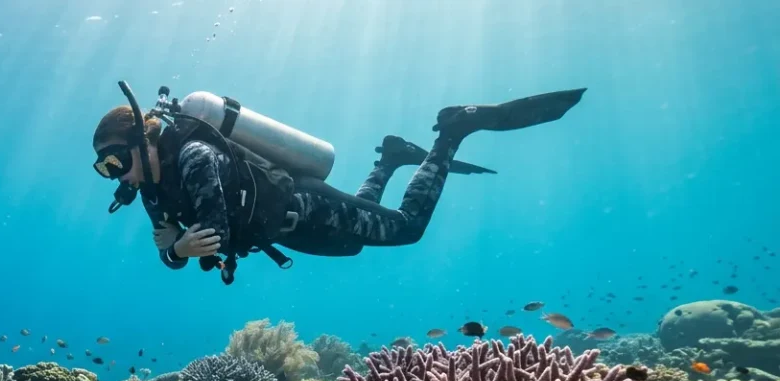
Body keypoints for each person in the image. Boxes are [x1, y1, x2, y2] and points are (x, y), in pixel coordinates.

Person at [91, 88, 586, 283]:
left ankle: (453, 131)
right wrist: (177, 247)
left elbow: (210, 239)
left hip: (305, 205)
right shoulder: (153, 190)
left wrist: (178, 245)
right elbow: (177, 253)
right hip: (284, 231)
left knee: (407, 230)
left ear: (141, 137)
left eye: (115, 161)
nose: (117, 176)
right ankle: (390, 160)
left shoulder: (195, 156)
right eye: (106, 170)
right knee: (354, 245)